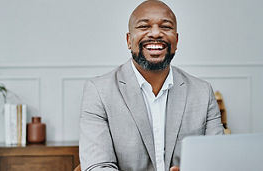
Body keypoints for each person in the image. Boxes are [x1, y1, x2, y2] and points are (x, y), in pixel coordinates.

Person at [79, 0, 224, 171]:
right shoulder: (98, 91)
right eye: (143, 26)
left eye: (166, 27)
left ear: (176, 41)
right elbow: (98, 167)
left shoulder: (202, 92)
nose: (155, 33)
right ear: (128, 40)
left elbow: (217, 161)